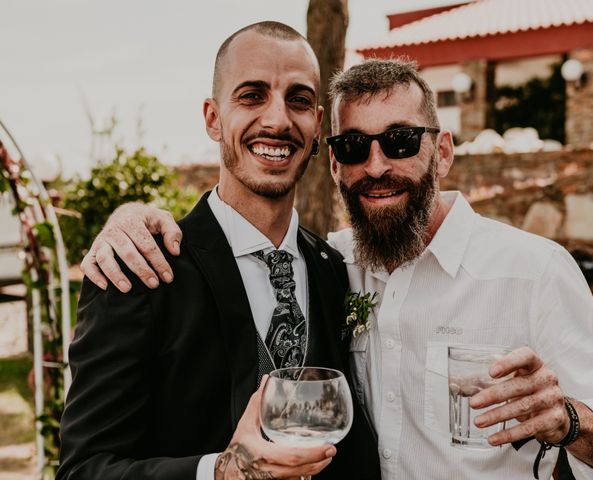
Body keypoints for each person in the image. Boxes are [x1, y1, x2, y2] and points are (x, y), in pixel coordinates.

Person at [81, 59, 593, 479]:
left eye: (399, 141)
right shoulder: (331, 262)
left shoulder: (533, 271)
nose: (377, 166)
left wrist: (568, 419)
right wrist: (129, 217)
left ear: (442, 151)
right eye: (353, 146)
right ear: (332, 161)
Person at [57, 21, 381, 480]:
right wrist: (220, 473)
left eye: (299, 100)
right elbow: (83, 470)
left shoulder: (335, 270)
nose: (277, 120)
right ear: (213, 118)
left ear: (317, 127)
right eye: (252, 95)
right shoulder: (139, 268)